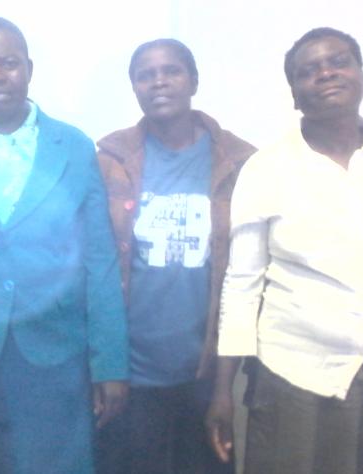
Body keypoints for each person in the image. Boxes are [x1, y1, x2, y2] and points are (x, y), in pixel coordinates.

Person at [0, 16, 129, 474]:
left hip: (54, 353)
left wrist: (110, 362)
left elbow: (99, 259)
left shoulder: (72, 146)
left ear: (29, 69)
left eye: (9, 63)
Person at [207, 27, 363, 474]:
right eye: (308, 71)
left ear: (362, 77)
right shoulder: (265, 170)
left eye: (338, 62)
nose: (326, 74)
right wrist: (222, 391)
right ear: (295, 95)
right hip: (295, 378)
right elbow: (241, 286)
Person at [96, 38, 255, 474]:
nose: (159, 82)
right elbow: (96, 266)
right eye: (145, 75)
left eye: (171, 71)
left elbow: (245, 277)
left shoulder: (238, 162)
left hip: (204, 371)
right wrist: (103, 365)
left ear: (194, 81)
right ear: (134, 87)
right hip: (130, 372)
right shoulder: (110, 161)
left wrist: (223, 386)